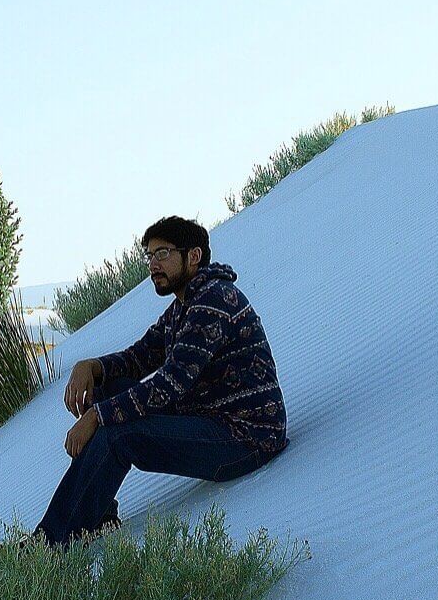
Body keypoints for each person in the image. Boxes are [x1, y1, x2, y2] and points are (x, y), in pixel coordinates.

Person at [27, 214, 288, 548]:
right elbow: (138, 358)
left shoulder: (214, 301)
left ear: (193, 256)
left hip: (246, 437)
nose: (153, 264)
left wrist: (97, 416)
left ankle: (48, 545)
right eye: (149, 256)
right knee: (106, 389)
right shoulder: (185, 304)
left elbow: (170, 384)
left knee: (118, 433)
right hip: (208, 420)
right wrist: (89, 367)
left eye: (162, 253)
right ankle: (94, 518)